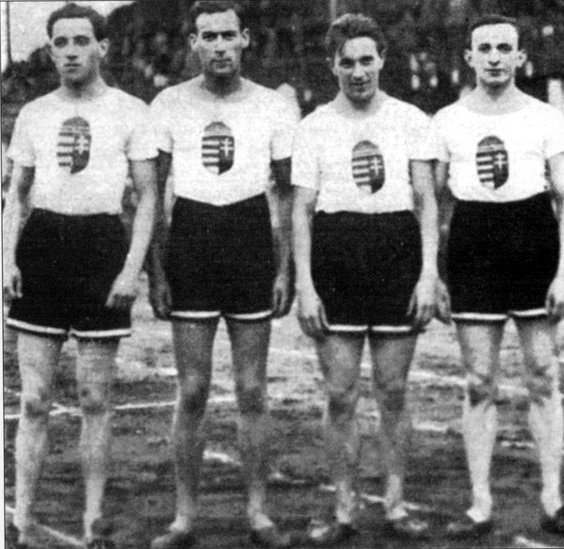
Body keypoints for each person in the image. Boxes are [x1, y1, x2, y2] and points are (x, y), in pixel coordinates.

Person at [2, 4, 157, 549]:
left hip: (100, 247)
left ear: (102, 47)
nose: (69, 52)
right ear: (51, 50)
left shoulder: (131, 111)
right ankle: (21, 524)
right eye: (60, 43)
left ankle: (93, 523)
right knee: (35, 400)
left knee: (95, 399)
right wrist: (7, 259)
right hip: (44, 246)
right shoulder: (34, 113)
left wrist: (131, 268)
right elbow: (16, 196)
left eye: (80, 41)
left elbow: (147, 197)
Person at [292, 13, 447, 545]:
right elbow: (301, 211)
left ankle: (397, 505)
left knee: (394, 391)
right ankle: (343, 509)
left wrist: (428, 274)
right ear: (332, 65)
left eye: (366, 60)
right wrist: (306, 285)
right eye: (347, 62)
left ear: (382, 60)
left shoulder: (411, 119)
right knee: (340, 394)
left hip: (395, 254)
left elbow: (427, 202)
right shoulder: (313, 126)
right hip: (336, 258)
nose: (358, 71)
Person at [147, 2, 295, 548]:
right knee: (192, 390)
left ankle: (258, 513)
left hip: (250, 239)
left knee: (252, 389)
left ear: (245, 38)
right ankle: (184, 517)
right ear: (193, 42)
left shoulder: (273, 105)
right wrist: (157, 270)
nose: (219, 46)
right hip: (192, 241)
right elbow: (150, 193)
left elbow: (288, 194)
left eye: (227, 35)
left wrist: (285, 268)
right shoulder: (169, 103)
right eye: (207, 36)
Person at [432, 14, 564, 540]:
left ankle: (553, 498)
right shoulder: (446, 120)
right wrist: (435, 272)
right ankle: (480, 504)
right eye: (483, 48)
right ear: (469, 57)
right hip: (474, 247)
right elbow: (433, 204)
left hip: (534, 243)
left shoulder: (546, 117)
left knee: (543, 376)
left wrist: (563, 274)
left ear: (520, 57)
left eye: (503, 48)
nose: (493, 57)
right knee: (479, 382)